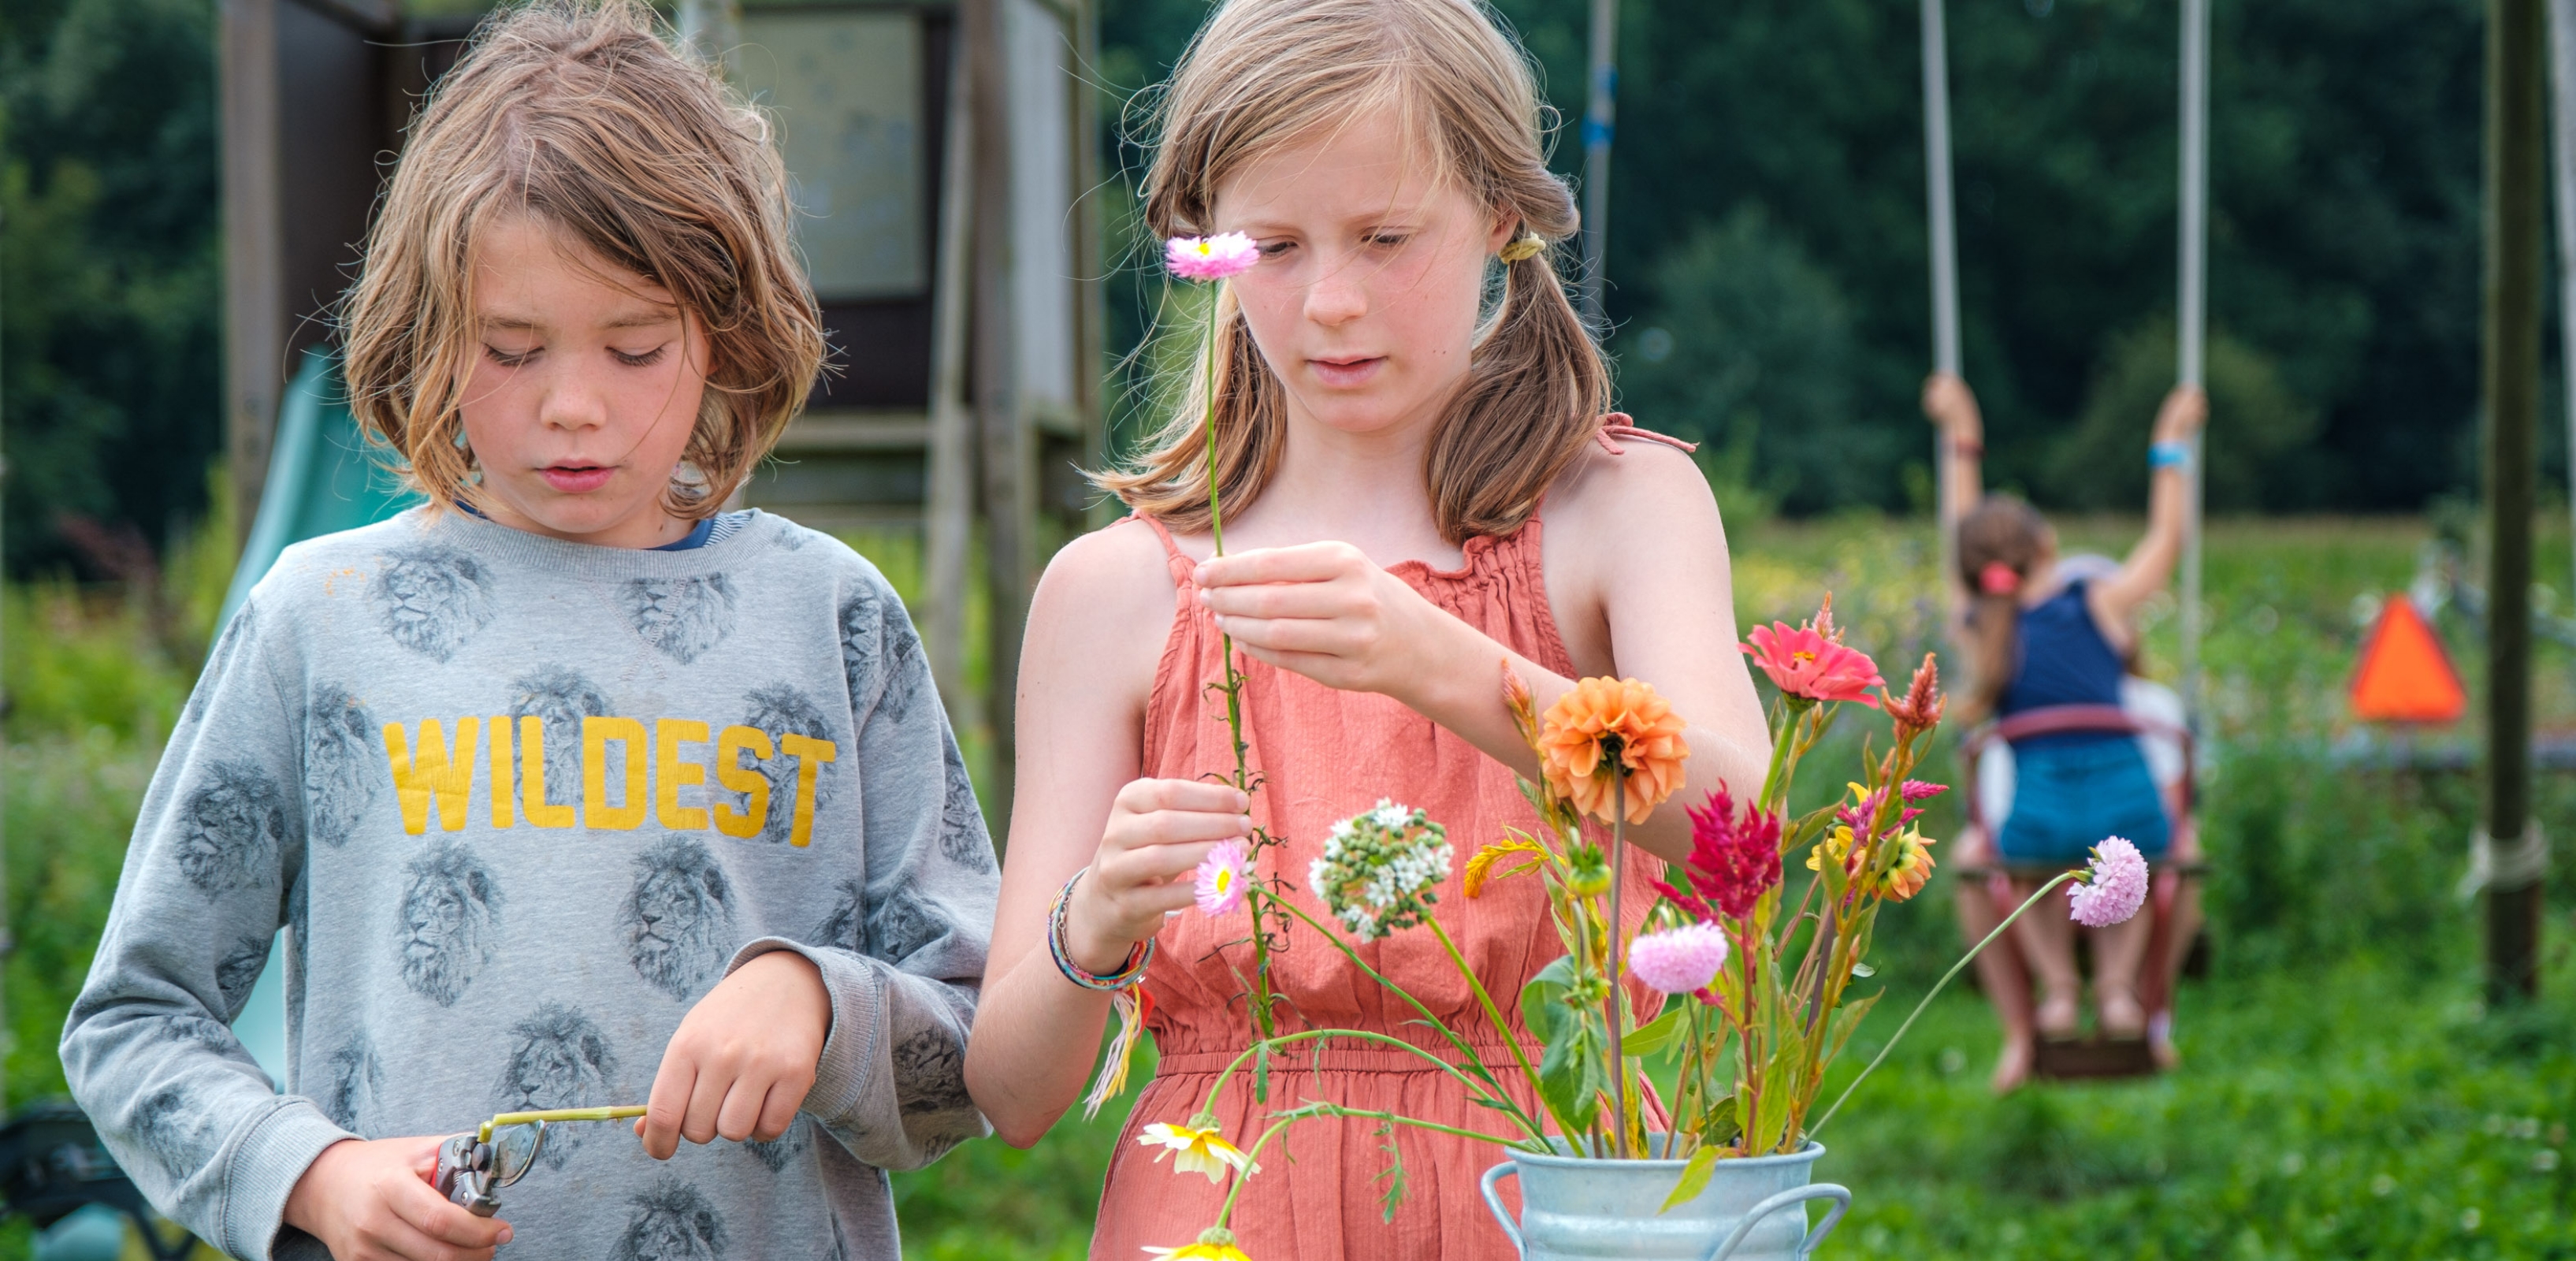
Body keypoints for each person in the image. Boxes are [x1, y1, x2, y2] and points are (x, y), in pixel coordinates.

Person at [60, 6, 996, 1258]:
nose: (573, 406)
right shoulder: (318, 623)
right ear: (427, 331)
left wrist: (825, 1007)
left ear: (729, 332)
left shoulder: (830, 619)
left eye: (635, 346)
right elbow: (134, 1020)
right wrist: (310, 1173)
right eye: (511, 349)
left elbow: (979, 1057)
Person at [958, 2, 1771, 1257]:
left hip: (1561, 1189)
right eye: (1274, 246)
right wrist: (1095, 917)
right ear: (1204, 246)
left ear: (1501, 214)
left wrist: (1441, 663)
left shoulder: (1620, 508)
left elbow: (1741, 836)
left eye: (1385, 237)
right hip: (1223, 1206)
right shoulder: (1115, 589)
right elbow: (1012, 1097)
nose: (1332, 301)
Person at [1924, 371, 2206, 1092]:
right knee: (2147, 856)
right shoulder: (2100, 598)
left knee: (2014, 867)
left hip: (2037, 814)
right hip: (2128, 802)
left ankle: (2052, 993)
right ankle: (2121, 991)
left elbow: (1960, 532)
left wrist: (1962, 435)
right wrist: (2168, 444)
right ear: (2046, 547)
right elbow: (2165, 540)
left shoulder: (1985, 621)